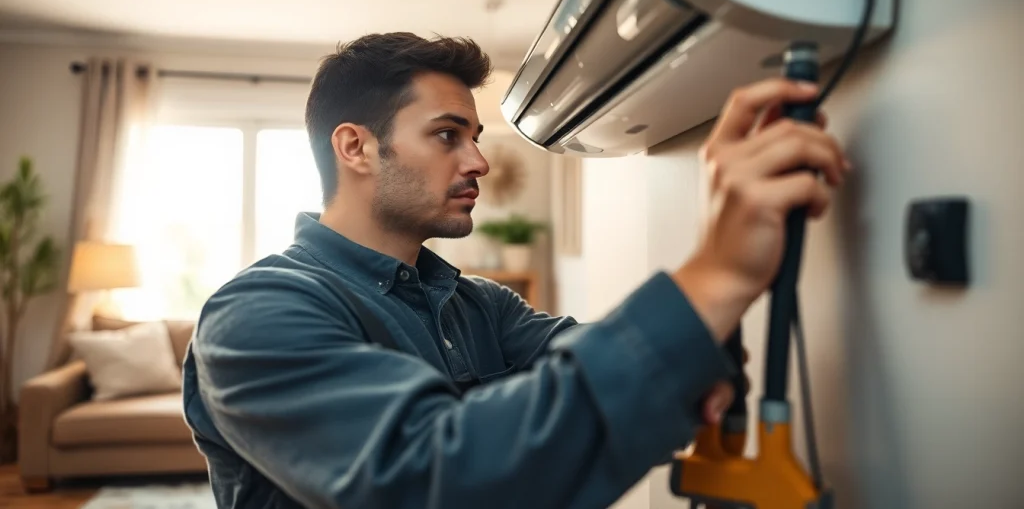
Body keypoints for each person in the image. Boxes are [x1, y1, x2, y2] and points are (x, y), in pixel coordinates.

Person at [182, 32, 849, 509]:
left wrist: (703, 343)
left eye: (475, 136)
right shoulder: (255, 314)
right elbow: (430, 477)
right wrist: (718, 269)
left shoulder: (480, 306)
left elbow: (599, 356)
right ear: (356, 146)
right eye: (448, 135)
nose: (478, 162)